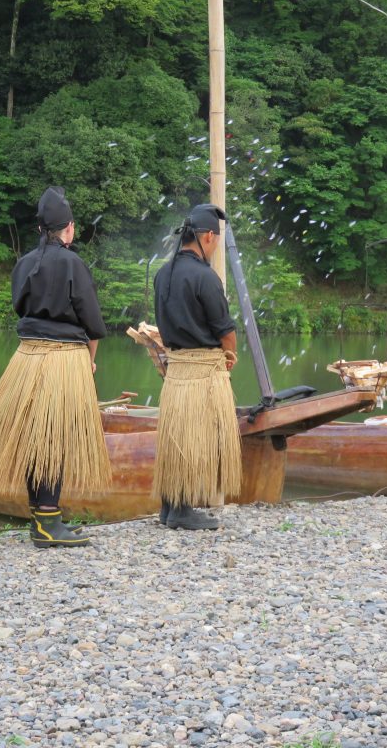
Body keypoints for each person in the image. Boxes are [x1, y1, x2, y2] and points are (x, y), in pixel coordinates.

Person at [0, 186, 111, 547]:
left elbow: (18, 306)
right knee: (52, 439)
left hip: (27, 357)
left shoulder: (25, 262)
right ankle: (46, 521)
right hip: (63, 360)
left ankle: (44, 517)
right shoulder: (73, 263)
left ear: (42, 228)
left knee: (36, 436)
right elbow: (92, 323)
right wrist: (90, 362)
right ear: (69, 228)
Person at [152, 203, 241, 530]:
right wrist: (226, 364)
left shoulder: (163, 274)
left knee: (177, 436)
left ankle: (170, 506)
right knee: (195, 439)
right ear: (206, 237)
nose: (215, 247)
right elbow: (226, 332)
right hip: (202, 371)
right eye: (215, 240)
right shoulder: (205, 277)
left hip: (176, 373)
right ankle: (183, 510)